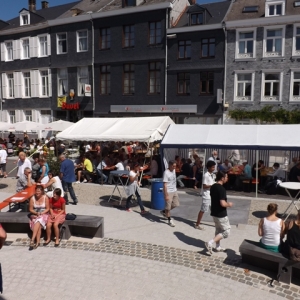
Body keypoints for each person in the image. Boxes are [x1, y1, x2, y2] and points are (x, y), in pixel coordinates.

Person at [205, 171, 233, 254]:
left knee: (218, 229)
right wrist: (229, 204)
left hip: (214, 212)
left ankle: (217, 247)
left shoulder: (213, 186)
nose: (227, 179)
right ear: (222, 178)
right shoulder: (222, 189)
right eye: (226, 177)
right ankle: (210, 242)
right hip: (221, 213)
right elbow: (222, 203)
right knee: (226, 231)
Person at [195, 160, 216, 230]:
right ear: (209, 167)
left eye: (214, 167)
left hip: (212, 195)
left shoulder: (212, 175)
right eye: (213, 167)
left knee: (213, 210)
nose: (214, 168)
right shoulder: (206, 175)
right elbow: (204, 186)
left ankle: (217, 223)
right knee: (203, 210)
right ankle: (197, 224)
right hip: (206, 196)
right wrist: (212, 185)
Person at [28, 185, 49, 249]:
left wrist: (41, 213)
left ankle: (32, 239)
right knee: (38, 224)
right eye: (36, 191)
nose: (37, 193)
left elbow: (47, 208)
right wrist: (36, 213)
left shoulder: (45, 197)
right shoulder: (32, 198)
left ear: (42, 191)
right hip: (35, 214)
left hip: (44, 214)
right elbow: (30, 209)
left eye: (39, 191)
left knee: (39, 220)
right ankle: (37, 242)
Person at [160, 160, 180, 227]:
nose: (175, 167)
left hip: (174, 190)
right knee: (168, 207)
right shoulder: (166, 173)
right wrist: (166, 195)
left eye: (175, 166)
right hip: (168, 191)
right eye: (173, 166)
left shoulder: (173, 170)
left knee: (176, 204)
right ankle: (169, 220)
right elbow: (165, 184)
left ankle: (164, 211)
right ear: (170, 165)